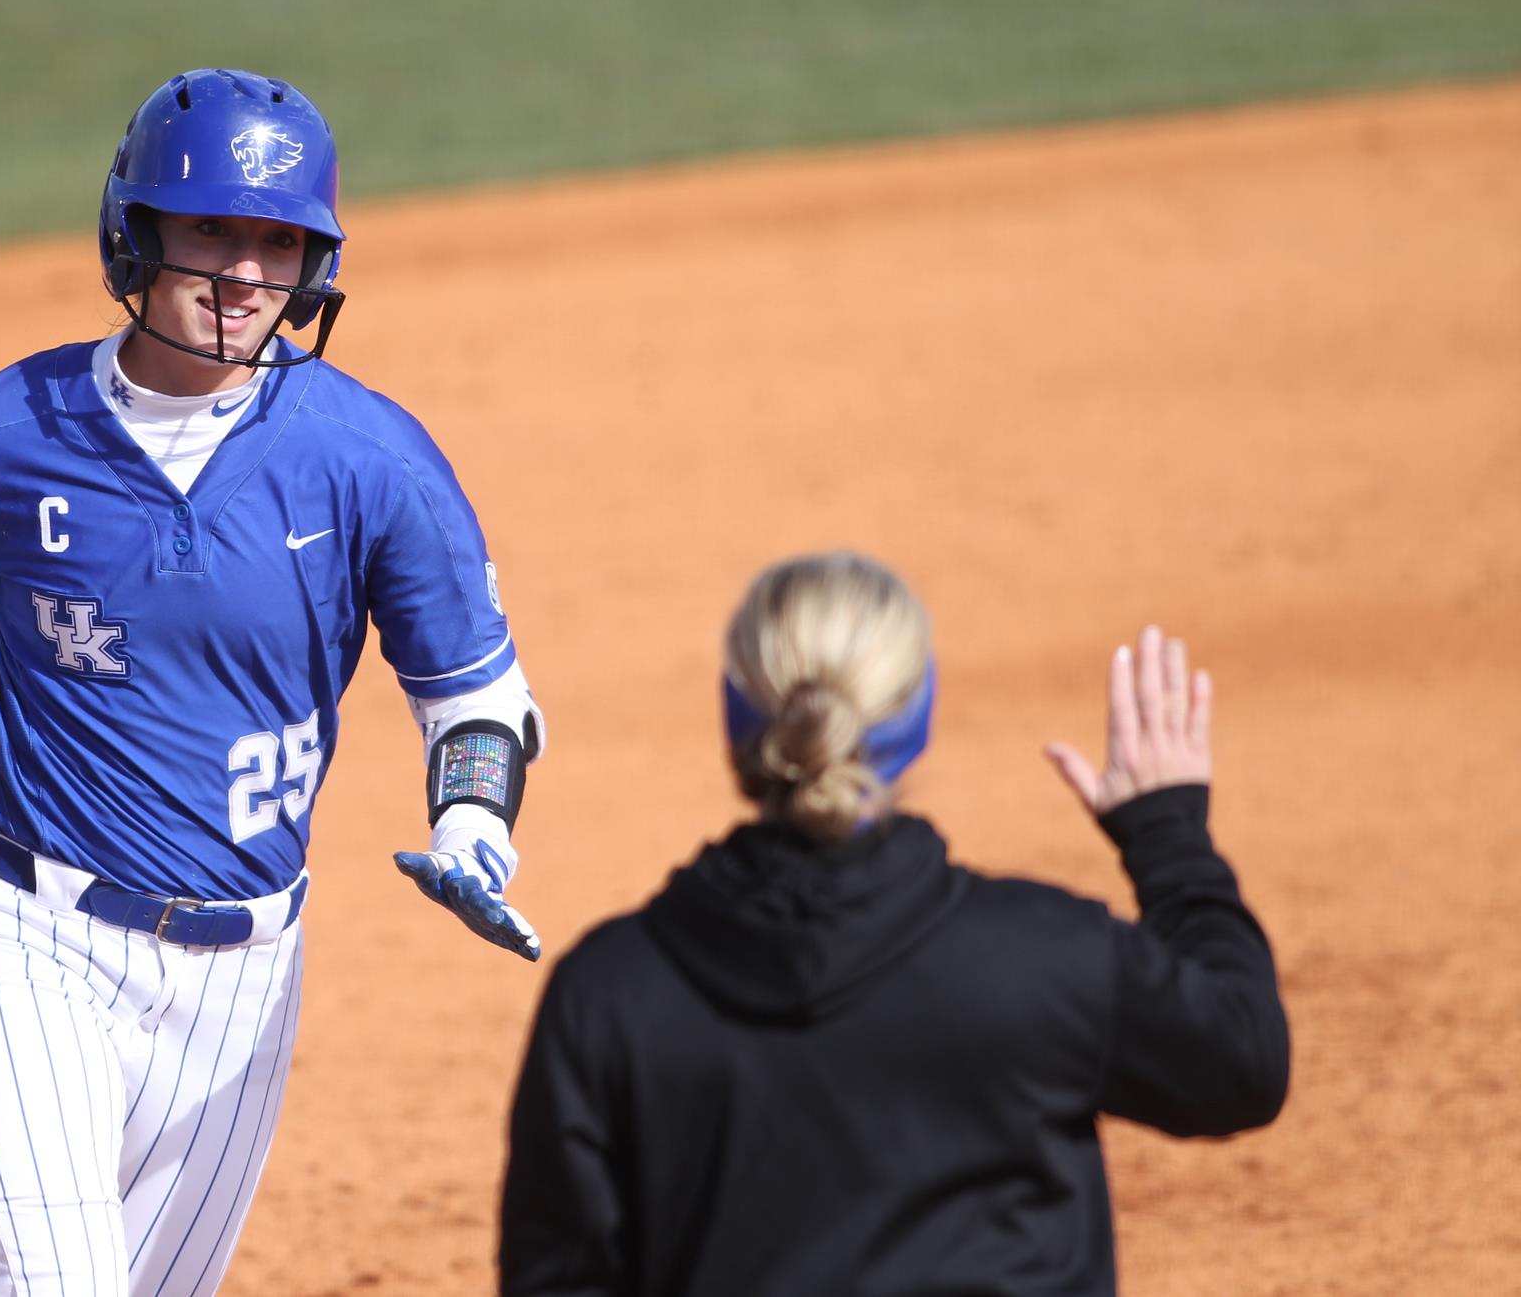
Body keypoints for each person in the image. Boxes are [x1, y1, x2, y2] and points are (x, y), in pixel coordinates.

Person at [0, 67, 547, 1297]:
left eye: (279, 241)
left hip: (244, 982)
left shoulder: (367, 459)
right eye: (210, 229)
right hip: (20, 929)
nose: (246, 272)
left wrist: (473, 820)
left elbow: (475, 694)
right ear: (133, 236)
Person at [500, 552, 1288, 1297]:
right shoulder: (1046, 959)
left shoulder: (610, 993)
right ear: (918, 713)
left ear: (737, 717)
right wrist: (1169, 836)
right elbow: (1243, 1060)